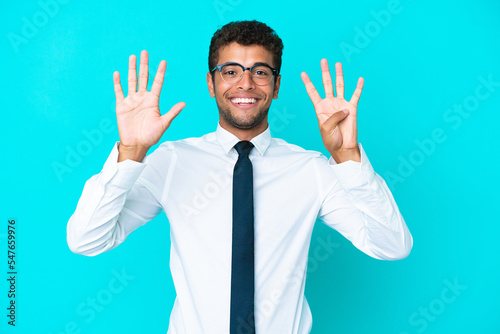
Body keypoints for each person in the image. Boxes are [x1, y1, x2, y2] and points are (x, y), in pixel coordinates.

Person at [67, 20, 412, 334]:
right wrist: (130, 151)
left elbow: (392, 246)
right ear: (212, 83)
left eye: (260, 72)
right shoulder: (172, 161)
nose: (245, 83)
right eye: (230, 71)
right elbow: (86, 240)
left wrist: (347, 157)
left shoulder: (312, 169)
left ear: (276, 86)